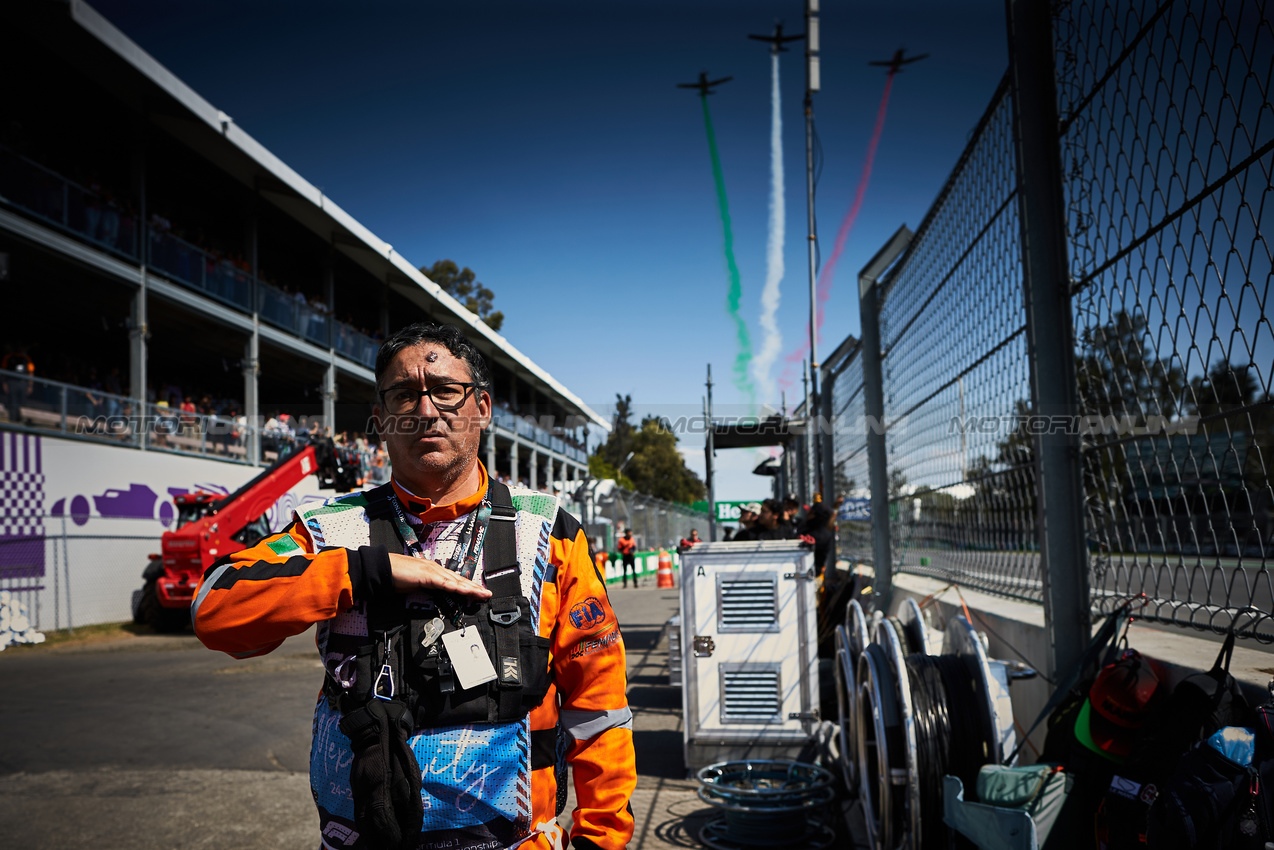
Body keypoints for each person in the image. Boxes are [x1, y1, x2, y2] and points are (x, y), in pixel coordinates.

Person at [193, 322, 636, 850]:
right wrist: (362, 573)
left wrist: (599, 841)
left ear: (482, 408)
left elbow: (599, 706)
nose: (426, 410)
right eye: (405, 394)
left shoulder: (549, 532)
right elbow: (214, 609)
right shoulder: (328, 529)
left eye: (446, 391)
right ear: (380, 419)